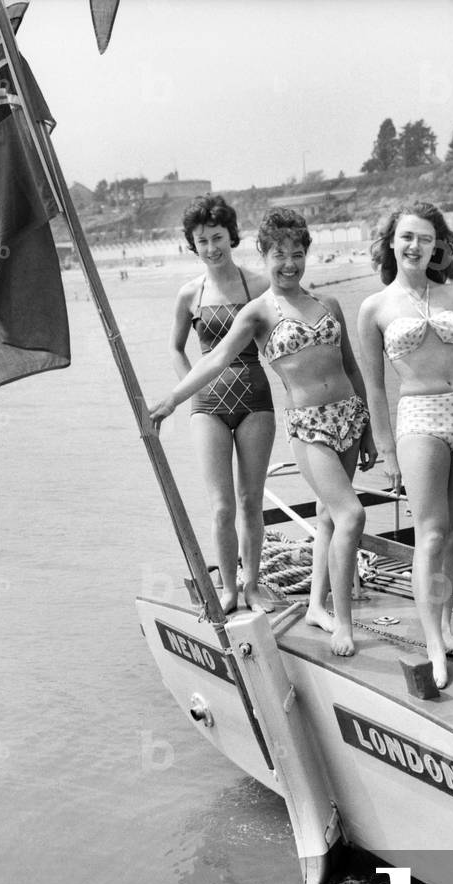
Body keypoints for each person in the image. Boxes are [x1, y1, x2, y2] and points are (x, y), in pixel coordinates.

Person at [149, 208, 376, 656]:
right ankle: (344, 624)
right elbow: (214, 359)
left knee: (330, 517)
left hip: (348, 416)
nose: (289, 263)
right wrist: (173, 400)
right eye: (279, 255)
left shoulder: (327, 305)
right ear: (264, 254)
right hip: (307, 425)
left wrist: (367, 428)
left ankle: (315, 605)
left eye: (297, 253)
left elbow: (351, 365)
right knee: (352, 515)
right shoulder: (256, 312)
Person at [357, 202, 453, 689]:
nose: (415, 246)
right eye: (407, 237)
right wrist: (386, 450)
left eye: (426, 239)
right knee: (429, 535)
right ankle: (432, 644)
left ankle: (447, 627)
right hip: (421, 419)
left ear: (438, 246)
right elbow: (374, 389)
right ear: (392, 241)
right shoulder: (375, 308)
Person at [170, 194, 274, 613]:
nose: (211, 248)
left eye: (217, 237)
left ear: (231, 236)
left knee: (251, 500)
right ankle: (229, 589)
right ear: (191, 245)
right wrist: (192, 387)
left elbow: (281, 342)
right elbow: (176, 349)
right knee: (221, 506)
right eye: (202, 240)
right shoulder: (189, 295)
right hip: (207, 406)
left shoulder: (259, 286)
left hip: (256, 399)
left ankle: (253, 586)